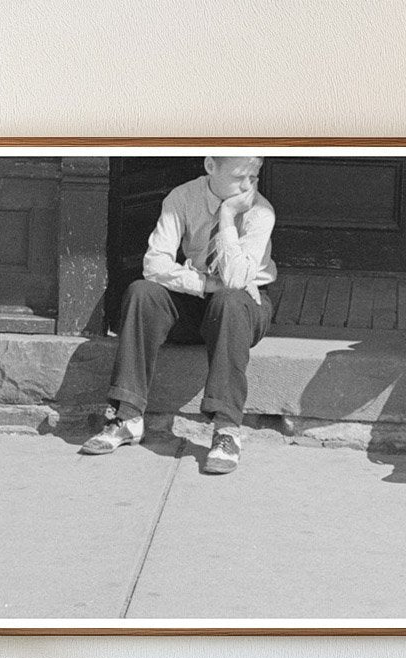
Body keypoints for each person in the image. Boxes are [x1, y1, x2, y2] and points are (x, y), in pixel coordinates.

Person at [80, 155, 276, 474]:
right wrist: (202, 284)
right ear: (211, 166)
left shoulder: (260, 211)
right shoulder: (182, 198)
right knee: (142, 292)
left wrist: (227, 217)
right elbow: (154, 264)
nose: (248, 185)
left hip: (242, 310)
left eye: (254, 175)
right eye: (240, 176)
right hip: (197, 295)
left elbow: (237, 280)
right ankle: (127, 416)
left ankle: (227, 430)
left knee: (229, 298)